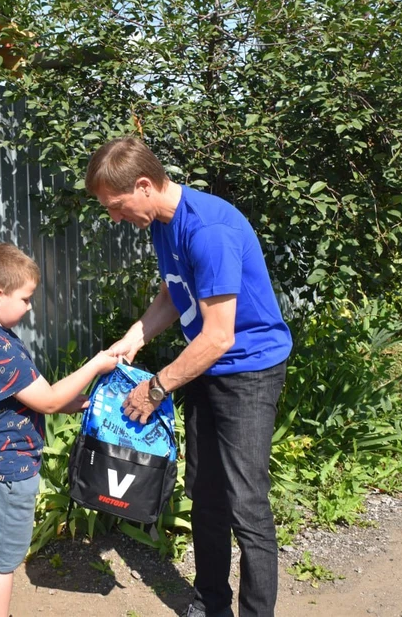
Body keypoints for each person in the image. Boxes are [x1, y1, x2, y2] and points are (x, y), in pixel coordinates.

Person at [86, 137, 293, 617]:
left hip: (248, 370)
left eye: (116, 207)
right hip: (203, 365)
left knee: (246, 502)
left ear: (143, 186)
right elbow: (171, 294)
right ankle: (211, 605)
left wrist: (156, 386)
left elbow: (220, 336)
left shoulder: (209, 230)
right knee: (204, 494)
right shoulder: (162, 223)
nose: (115, 218)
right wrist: (135, 336)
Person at [0, 242, 118, 617]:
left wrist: (60, 400)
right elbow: (51, 400)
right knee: (1, 561)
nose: (29, 307)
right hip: (2, 470)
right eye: (25, 299)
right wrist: (95, 365)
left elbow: (22, 396)